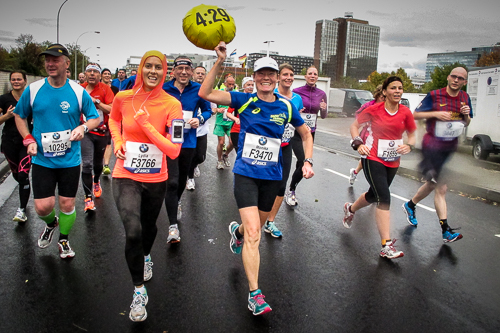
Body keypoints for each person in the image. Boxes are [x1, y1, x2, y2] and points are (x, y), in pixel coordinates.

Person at [199, 42, 314, 315]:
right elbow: (205, 92)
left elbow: (306, 133)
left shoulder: (286, 106)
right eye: (261, 73)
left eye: (270, 74)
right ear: (255, 76)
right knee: (255, 234)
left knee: (254, 229)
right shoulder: (244, 99)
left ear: (277, 78)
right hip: (246, 175)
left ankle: (236, 232)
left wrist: (307, 160)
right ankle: (255, 294)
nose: (266, 78)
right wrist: (220, 61)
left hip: (272, 177)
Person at [108, 51, 182, 322]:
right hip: (125, 173)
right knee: (133, 230)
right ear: (140, 69)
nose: (153, 71)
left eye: (159, 67)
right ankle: (138, 290)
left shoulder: (172, 104)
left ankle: (147, 255)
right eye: (148, 66)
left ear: (165, 72)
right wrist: (117, 141)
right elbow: (114, 121)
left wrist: (147, 125)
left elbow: (173, 150)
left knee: (149, 228)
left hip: (155, 177)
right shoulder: (123, 98)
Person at [14, 43, 99, 259]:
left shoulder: (78, 91)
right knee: (43, 207)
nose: (50, 64)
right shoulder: (33, 90)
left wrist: (83, 127)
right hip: (43, 159)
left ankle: (64, 240)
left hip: (70, 159)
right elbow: (19, 116)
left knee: (67, 203)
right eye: (47, 60)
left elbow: (95, 117)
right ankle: (52, 224)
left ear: (67, 63)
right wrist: (28, 138)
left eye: (55, 60)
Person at [342, 76, 416, 259]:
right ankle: (386, 245)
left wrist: (410, 145)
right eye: (393, 88)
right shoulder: (373, 110)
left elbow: (412, 132)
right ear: (384, 91)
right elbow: (354, 125)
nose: (397, 91)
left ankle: (350, 209)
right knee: (384, 197)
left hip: (393, 159)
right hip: (372, 157)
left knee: (374, 195)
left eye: (400, 88)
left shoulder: (406, 112)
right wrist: (358, 143)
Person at [402, 67, 472, 243]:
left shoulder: (465, 98)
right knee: (441, 187)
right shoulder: (435, 95)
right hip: (431, 146)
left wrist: (466, 116)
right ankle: (446, 231)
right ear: (448, 78)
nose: (456, 80)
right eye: (454, 77)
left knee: (432, 184)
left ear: (464, 82)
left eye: (460, 78)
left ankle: (410, 205)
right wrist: (436, 113)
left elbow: (467, 121)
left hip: (449, 147)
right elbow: (415, 115)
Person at [162, 56, 212, 243]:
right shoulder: (164, 88)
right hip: (167, 141)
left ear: (192, 72)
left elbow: (207, 110)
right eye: (180, 68)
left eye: (187, 69)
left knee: (181, 180)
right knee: (172, 182)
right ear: (173, 71)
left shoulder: (198, 90)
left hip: (189, 141)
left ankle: (177, 201)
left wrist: (199, 119)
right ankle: (173, 226)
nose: (183, 72)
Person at [263, 63, 305, 237]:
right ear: (278, 77)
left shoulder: (297, 99)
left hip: (285, 146)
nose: (289, 77)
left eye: (291, 75)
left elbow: (298, 122)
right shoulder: (271, 95)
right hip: (267, 146)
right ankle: (254, 218)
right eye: (285, 74)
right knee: (263, 184)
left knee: (281, 185)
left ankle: (270, 222)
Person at [285, 65, 327, 206]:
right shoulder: (297, 92)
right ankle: (291, 190)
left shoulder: (321, 94)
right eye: (310, 73)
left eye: (315, 74)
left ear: (317, 77)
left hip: (310, 133)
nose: (312, 76)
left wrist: (324, 109)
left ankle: (292, 189)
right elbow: (291, 110)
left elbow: (324, 116)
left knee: (300, 163)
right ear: (305, 76)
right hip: (297, 132)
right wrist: (298, 111)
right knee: (304, 160)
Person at [80, 64, 114, 212]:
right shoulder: (79, 89)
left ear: (100, 75)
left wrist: (96, 102)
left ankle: (96, 181)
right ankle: (88, 198)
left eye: (95, 72)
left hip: (101, 131)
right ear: (85, 74)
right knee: (86, 164)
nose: (92, 74)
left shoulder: (105, 89)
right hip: (85, 132)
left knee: (97, 164)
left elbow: (112, 110)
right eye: (90, 71)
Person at [0, 70, 32, 222]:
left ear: (25, 81)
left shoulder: (31, 98)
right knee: (16, 175)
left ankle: (22, 209)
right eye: (13, 79)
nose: (16, 81)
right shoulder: (4, 99)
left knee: (23, 174)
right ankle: (24, 190)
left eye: (19, 79)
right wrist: (6, 116)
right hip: (9, 142)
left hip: (26, 143)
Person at [349, 85, 384, 185]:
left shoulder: (387, 107)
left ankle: (355, 172)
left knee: (373, 160)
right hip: (368, 136)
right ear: (377, 95)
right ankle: (375, 187)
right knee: (368, 158)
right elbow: (358, 116)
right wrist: (366, 121)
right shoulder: (369, 106)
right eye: (382, 96)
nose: (383, 99)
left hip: (381, 138)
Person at [186, 66, 210, 190]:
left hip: (202, 130)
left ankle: (194, 165)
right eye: (198, 73)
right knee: (189, 156)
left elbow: (210, 110)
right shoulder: (187, 89)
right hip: (188, 130)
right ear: (193, 74)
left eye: (203, 73)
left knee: (201, 157)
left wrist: (202, 117)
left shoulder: (208, 90)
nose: (200, 75)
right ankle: (190, 179)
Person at [226, 77, 254, 153]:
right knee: (240, 153)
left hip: (251, 131)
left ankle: (225, 155)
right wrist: (236, 119)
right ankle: (225, 154)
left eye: (252, 85)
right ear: (243, 86)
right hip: (237, 130)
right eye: (248, 84)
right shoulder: (239, 97)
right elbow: (228, 113)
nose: (251, 87)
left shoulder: (256, 98)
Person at [213, 75, 235, 169]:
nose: (231, 86)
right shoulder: (219, 93)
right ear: (225, 83)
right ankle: (219, 161)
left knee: (233, 142)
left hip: (231, 123)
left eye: (233, 84)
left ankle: (225, 155)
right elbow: (212, 107)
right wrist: (218, 109)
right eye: (229, 84)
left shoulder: (235, 94)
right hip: (220, 122)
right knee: (221, 142)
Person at [100, 68, 118, 177]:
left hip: (111, 118)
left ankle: (106, 165)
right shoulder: (97, 88)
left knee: (108, 142)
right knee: (98, 143)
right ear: (101, 76)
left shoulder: (115, 89)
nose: (107, 75)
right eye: (105, 74)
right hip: (97, 120)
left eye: (109, 74)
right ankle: (96, 164)